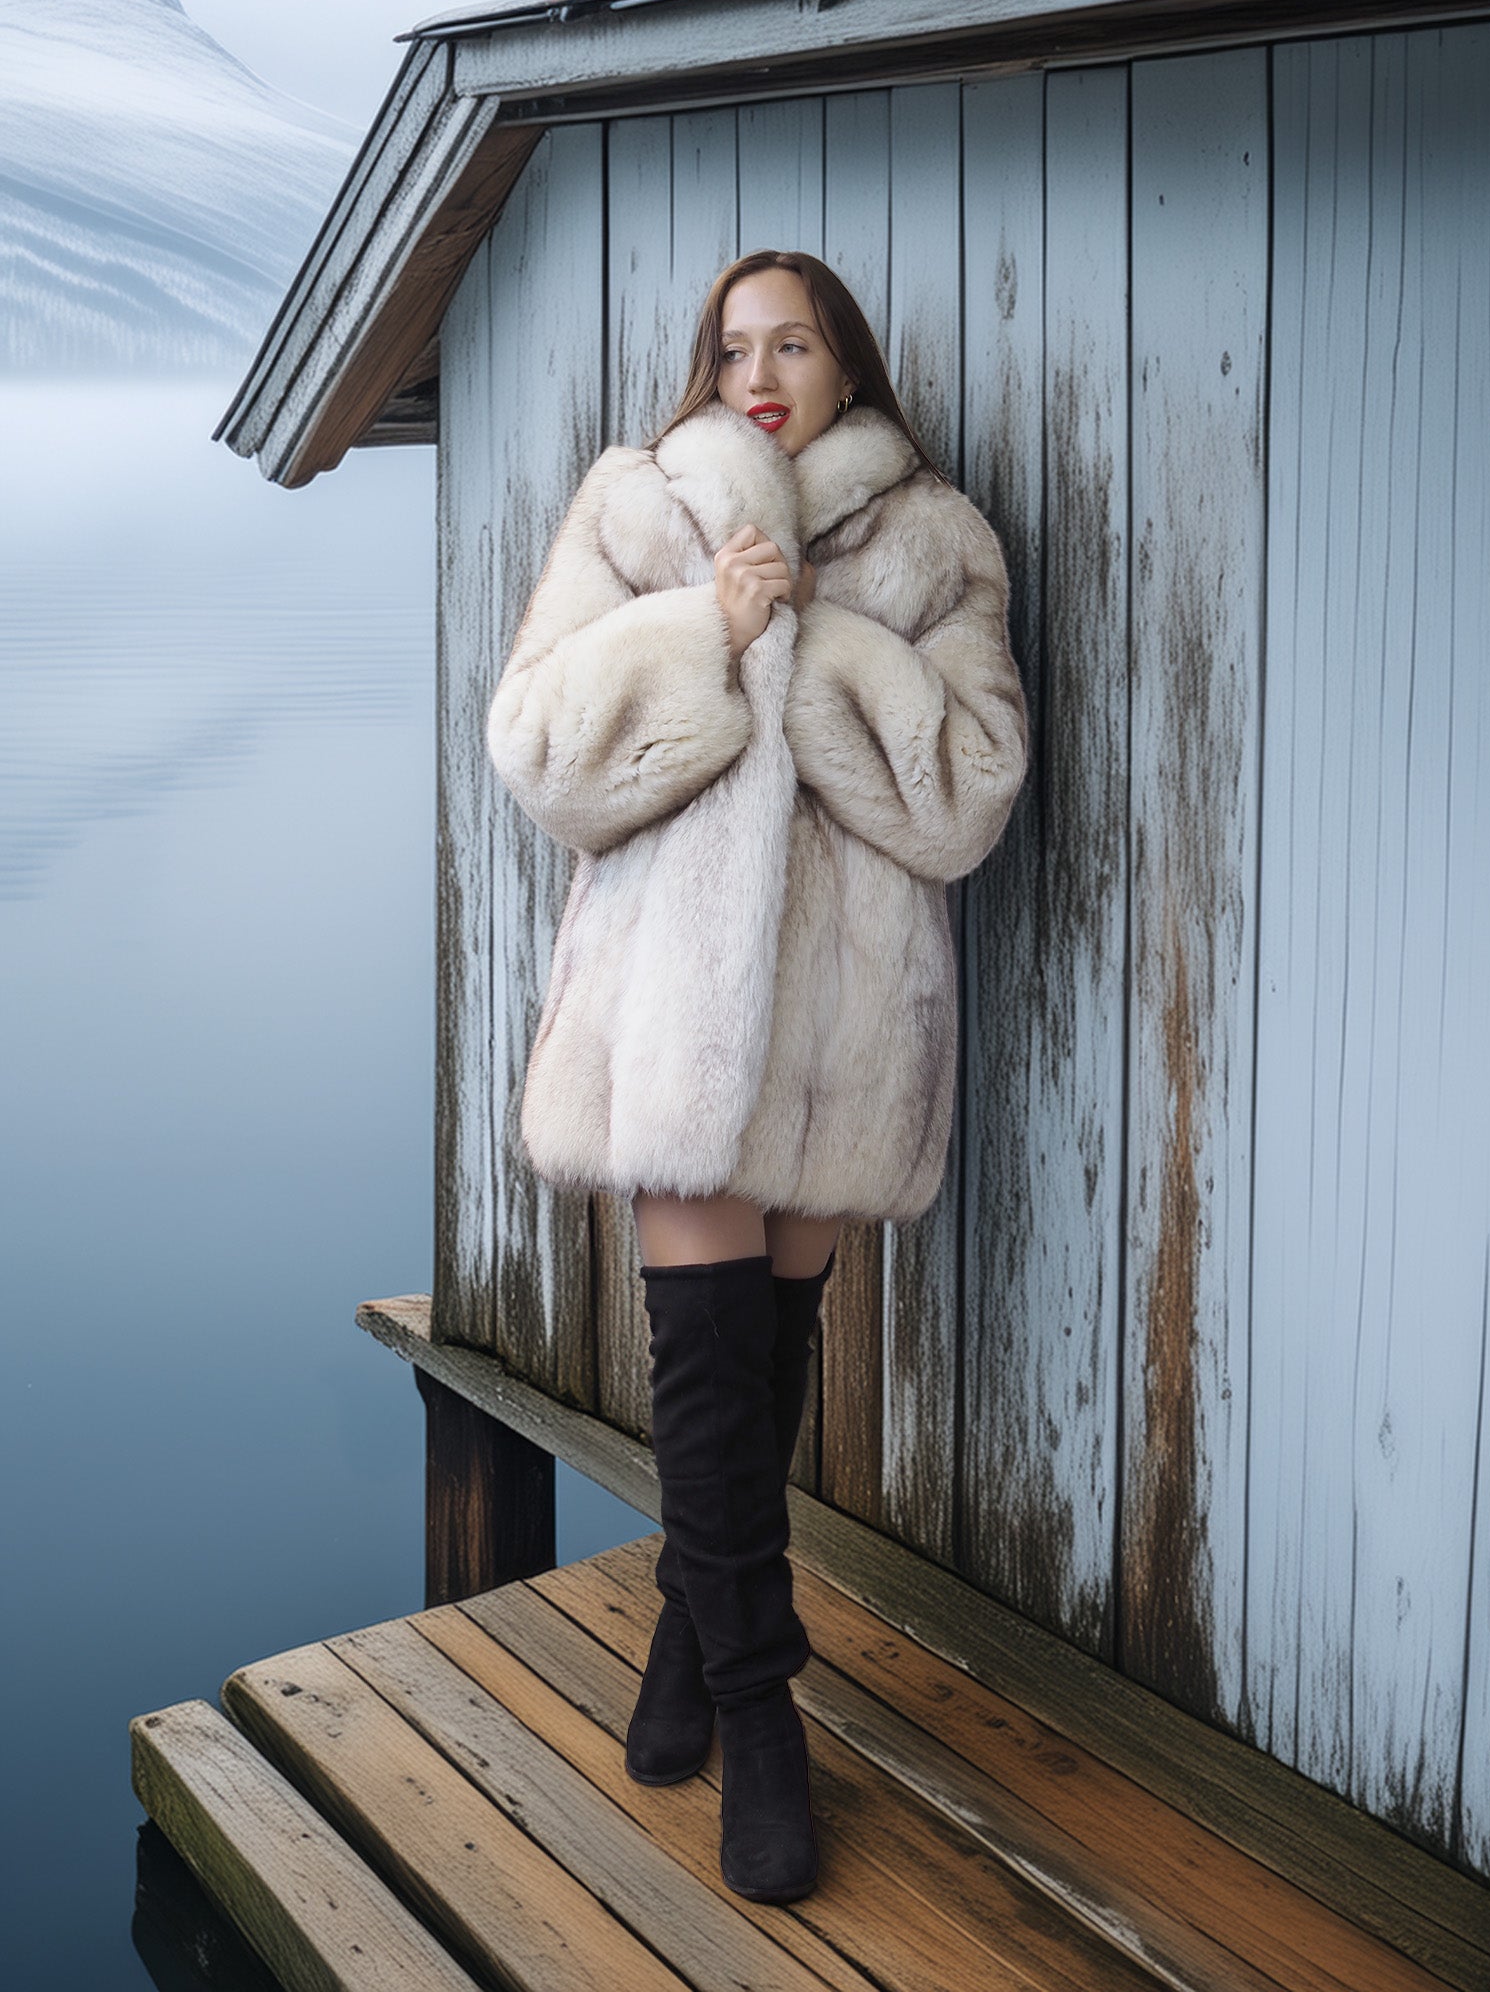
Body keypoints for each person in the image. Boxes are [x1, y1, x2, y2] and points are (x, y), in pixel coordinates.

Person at [486, 248, 1029, 1904]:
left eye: (794, 341)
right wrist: (706, 633)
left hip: (844, 1035)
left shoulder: (938, 540)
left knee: (768, 1358)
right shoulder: (635, 507)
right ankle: (763, 1714)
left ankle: (682, 1635)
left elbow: (971, 796)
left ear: (848, 363)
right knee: (708, 1370)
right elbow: (540, 750)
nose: (763, 371)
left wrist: (831, 652)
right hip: (673, 1013)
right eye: (736, 348)